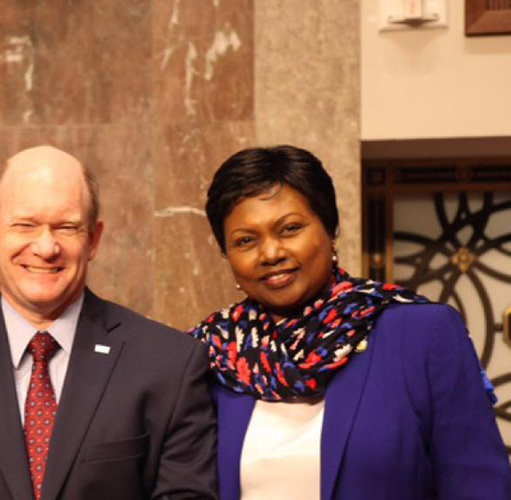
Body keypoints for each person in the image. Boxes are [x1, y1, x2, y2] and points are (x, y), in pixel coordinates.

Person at [0, 145, 218, 500]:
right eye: (25, 225)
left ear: (93, 239)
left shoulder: (169, 365)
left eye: (66, 227)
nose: (46, 247)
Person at [189, 145, 511, 499]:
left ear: (330, 229)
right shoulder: (210, 355)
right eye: (245, 240)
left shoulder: (421, 334)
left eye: (290, 228)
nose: (271, 253)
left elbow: (478, 485)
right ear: (227, 254)